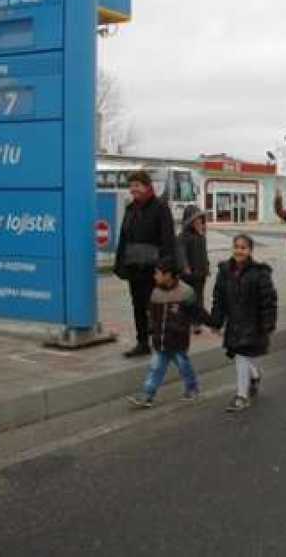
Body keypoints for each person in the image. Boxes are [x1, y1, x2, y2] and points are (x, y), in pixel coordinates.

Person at [126, 258, 210, 408]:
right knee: (156, 368)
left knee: (184, 366)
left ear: (168, 275)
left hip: (178, 340)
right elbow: (151, 314)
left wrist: (213, 323)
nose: (155, 276)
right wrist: (151, 329)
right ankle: (147, 395)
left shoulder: (185, 292)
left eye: (158, 273)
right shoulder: (156, 293)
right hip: (161, 340)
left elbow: (197, 312)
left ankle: (192, 389)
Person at [210, 235, 278, 413]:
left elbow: (268, 301)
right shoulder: (224, 271)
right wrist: (216, 321)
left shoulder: (260, 273)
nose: (239, 251)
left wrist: (268, 323)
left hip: (253, 324)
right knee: (244, 356)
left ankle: (242, 396)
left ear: (250, 251)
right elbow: (219, 299)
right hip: (234, 323)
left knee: (243, 355)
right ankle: (254, 377)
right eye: (237, 247)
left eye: (243, 248)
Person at [114, 170, 177, 358]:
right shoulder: (130, 209)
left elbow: (168, 240)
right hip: (135, 268)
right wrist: (120, 264)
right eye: (131, 186)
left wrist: (165, 267)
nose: (133, 189)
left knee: (156, 307)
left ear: (147, 186)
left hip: (154, 269)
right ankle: (142, 343)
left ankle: (161, 343)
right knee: (138, 306)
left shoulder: (160, 208)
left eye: (137, 185)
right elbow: (124, 238)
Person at [178, 205, 210, 335]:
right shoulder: (183, 236)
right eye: (196, 220)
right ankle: (185, 320)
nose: (199, 222)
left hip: (200, 273)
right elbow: (181, 252)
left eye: (200, 219)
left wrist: (206, 266)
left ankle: (197, 322)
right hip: (188, 273)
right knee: (188, 297)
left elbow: (204, 254)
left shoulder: (201, 235)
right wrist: (184, 266)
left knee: (199, 297)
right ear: (189, 221)